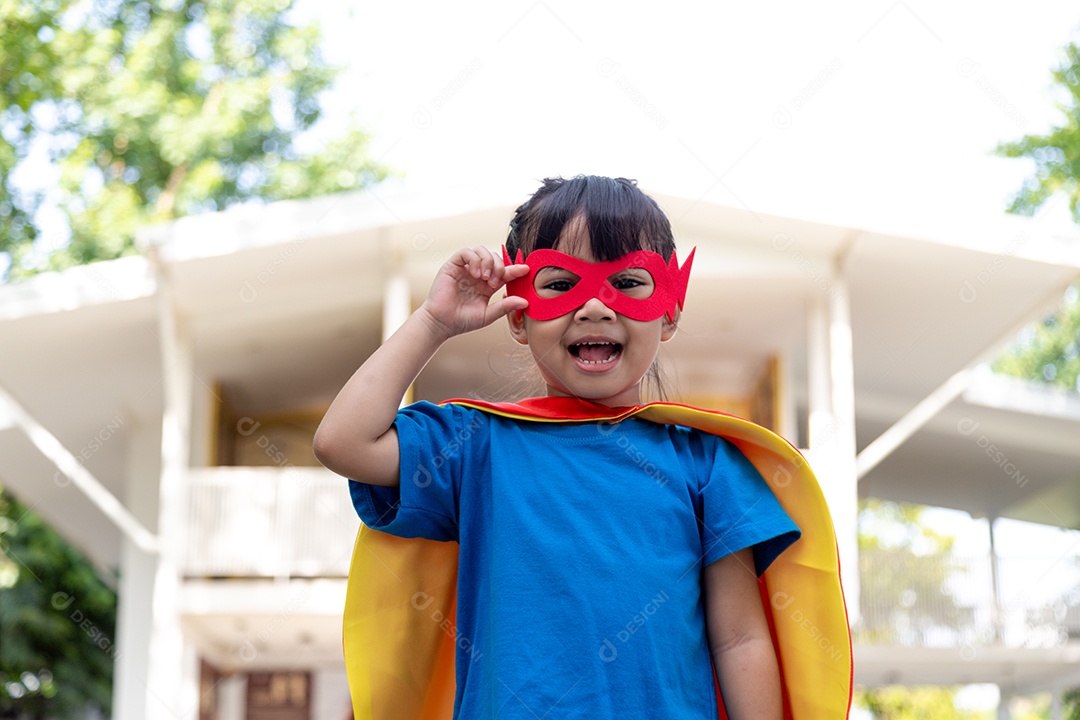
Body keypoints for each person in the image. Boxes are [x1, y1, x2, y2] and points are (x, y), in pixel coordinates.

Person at [314, 175, 850, 720]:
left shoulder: (706, 463)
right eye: (561, 282)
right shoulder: (474, 447)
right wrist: (434, 322)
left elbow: (738, 639)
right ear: (519, 315)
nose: (595, 306)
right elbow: (343, 442)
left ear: (669, 311)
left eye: (628, 281)